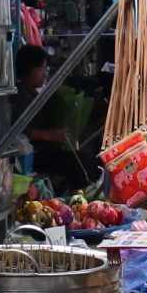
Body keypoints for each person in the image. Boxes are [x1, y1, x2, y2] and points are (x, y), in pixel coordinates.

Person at [14, 44, 90, 194]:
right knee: (76, 162)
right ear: (30, 69)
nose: (44, 74)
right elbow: (19, 131)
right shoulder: (21, 96)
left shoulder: (33, 94)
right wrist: (50, 135)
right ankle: (76, 200)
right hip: (32, 155)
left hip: (45, 149)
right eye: (41, 68)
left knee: (83, 156)